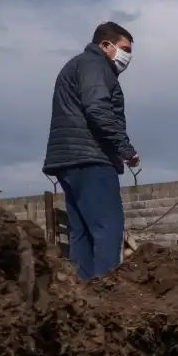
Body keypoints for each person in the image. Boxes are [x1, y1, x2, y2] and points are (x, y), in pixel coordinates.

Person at [42, 21, 139, 280]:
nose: (128, 56)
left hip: (69, 160)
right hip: (91, 159)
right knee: (108, 229)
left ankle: (84, 297)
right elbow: (97, 109)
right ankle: (106, 296)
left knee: (81, 232)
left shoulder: (79, 65)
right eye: (124, 48)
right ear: (105, 45)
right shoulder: (94, 65)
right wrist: (125, 148)